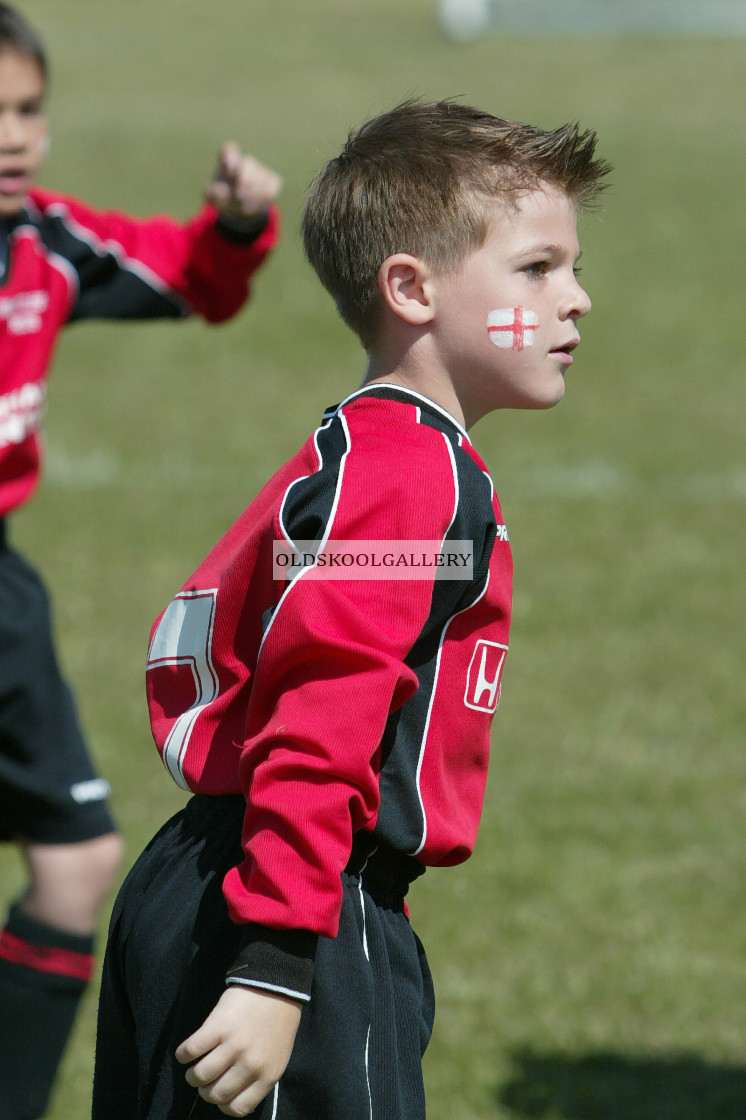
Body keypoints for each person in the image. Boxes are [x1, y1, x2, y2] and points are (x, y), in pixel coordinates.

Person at [92, 98, 610, 1120]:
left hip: (241, 878)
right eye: (536, 268)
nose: (575, 299)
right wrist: (279, 962)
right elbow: (321, 711)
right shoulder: (406, 474)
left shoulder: (389, 452)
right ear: (410, 288)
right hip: (287, 900)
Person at [0, 4, 281, 1118]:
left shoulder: (47, 241)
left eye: (26, 110)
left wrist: (236, 224)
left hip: (3, 597)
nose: (14, 136)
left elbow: (193, 282)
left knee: (74, 863)